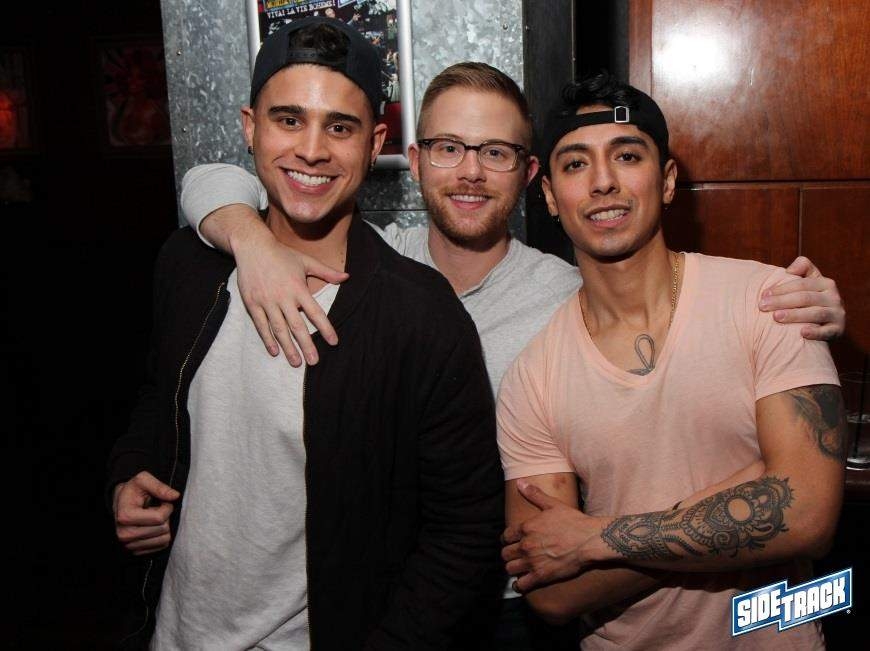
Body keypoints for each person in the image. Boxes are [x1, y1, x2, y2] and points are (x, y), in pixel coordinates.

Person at [177, 62, 845, 649]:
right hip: (386, 593)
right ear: (414, 160)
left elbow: (805, 510)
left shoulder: (564, 297)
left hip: (517, 609)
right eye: (448, 148)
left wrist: (807, 313)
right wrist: (250, 241)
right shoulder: (365, 270)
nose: (470, 171)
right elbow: (211, 180)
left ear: (529, 178)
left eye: (495, 152)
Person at [107, 18, 503, 650]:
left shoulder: (418, 313)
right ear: (249, 127)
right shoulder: (189, 264)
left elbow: (464, 530)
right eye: (288, 119)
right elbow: (160, 401)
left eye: (340, 127)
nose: (312, 150)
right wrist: (130, 475)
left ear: (375, 143)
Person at [498, 71, 846, 649]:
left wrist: (596, 539)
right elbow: (552, 593)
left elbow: (808, 518)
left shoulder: (772, 302)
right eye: (576, 164)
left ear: (665, 181)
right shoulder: (531, 378)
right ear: (552, 197)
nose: (603, 182)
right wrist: (757, 481)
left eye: (627, 156)